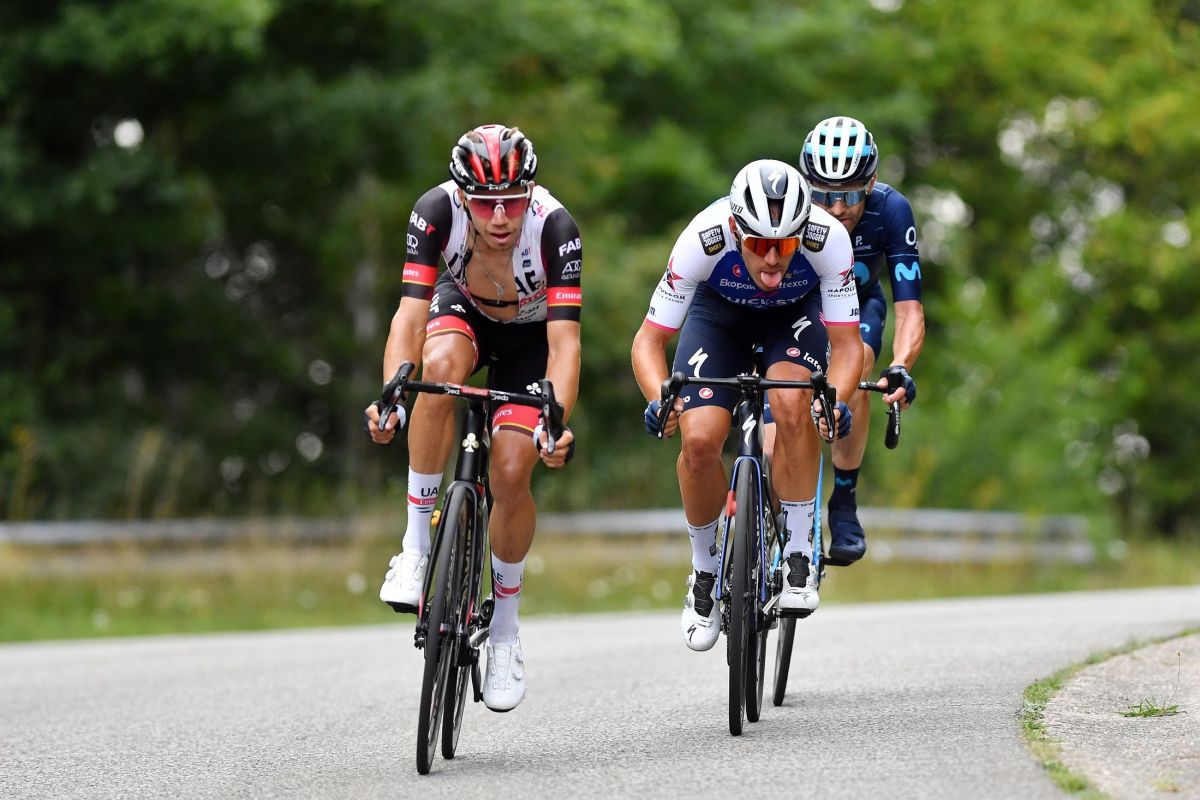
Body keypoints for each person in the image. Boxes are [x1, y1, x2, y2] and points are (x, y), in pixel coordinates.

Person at [363, 124, 582, 712]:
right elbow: (409, 318)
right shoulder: (436, 211)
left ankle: (505, 631)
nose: (501, 217)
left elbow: (564, 344)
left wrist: (554, 422)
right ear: (463, 197)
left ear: (529, 193)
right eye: (486, 204)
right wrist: (392, 395)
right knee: (436, 369)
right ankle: (415, 547)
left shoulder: (555, 229)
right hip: (465, 313)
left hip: (531, 339)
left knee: (510, 470)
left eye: (512, 201)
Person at [631, 159, 862, 652]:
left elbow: (848, 345)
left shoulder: (828, 238)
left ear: (803, 233)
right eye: (759, 245)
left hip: (795, 317)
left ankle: (797, 552)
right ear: (736, 230)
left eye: (786, 246)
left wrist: (835, 401)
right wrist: (659, 398)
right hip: (720, 318)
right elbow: (648, 341)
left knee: (794, 403)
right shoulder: (703, 238)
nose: (773, 259)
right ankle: (705, 569)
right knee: (698, 440)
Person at [793, 115, 924, 563]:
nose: (835, 209)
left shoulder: (891, 210)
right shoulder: (791, 208)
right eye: (822, 195)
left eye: (849, 196)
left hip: (859, 304)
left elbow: (910, 308)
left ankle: (844, 504)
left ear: (871, 183)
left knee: (860, 363)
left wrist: (901, 364)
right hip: (795, 307)